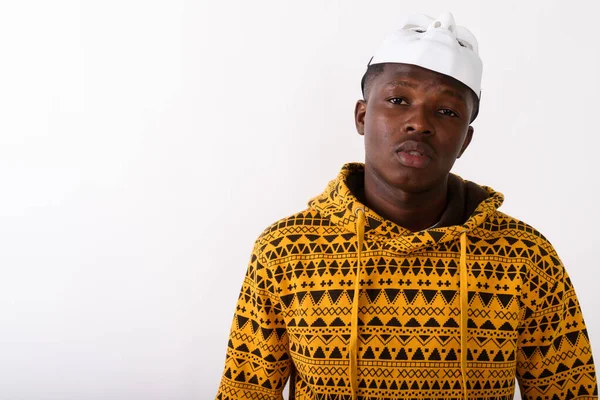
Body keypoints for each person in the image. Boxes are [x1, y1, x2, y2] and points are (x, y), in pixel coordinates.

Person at [215, 12, 597, 400]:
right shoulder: (285, 250)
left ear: (465, 140)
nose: (419, 122)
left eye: (446, 111)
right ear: (363, 116)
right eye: (398, 100)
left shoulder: (527, 258)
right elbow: (244, 392)